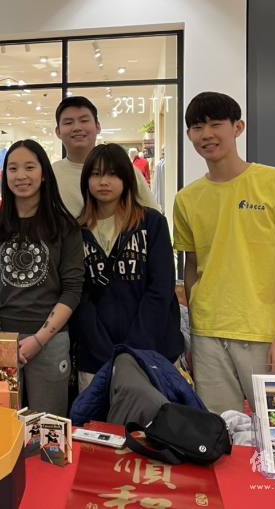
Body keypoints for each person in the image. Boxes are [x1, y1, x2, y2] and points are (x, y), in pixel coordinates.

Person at [173, 92, 275, 414]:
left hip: (264, 332)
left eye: (215, 124)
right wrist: (195, 332)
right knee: (221, 432)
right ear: (189, 135)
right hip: (208, 334)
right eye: (198, 127)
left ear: (237, 127)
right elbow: (192, 266)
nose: (206, 134)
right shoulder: (187, 198)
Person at [0, 139, 83, 416]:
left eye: (29, 167)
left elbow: (72, 290)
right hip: (1, 341)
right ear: (4, 174)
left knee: (48, 433)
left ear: (43, 173)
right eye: (13, 168)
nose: (21, 176)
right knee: (1, 426)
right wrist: (1, 339)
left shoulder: (64, 226)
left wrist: (39, 339)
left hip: (51, 340)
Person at [71, 144, 183, 393]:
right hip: (96, 359)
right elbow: (78, 295)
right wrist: (104, 350)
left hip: (154, 352)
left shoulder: (152, 223)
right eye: (96, 174)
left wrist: (133, 350)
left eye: (112, 174)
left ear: (126, 178)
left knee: (155, 428)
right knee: (98, 429)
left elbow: (161, 288)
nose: (104, 181)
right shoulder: (75, 231)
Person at [52, 96, 158, 218]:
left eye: (84, 120)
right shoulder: (50, 174)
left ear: (98, 127)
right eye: (68, 122)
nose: (77, 128)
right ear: (58, 131)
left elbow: (153, 216)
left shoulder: (123, 169)